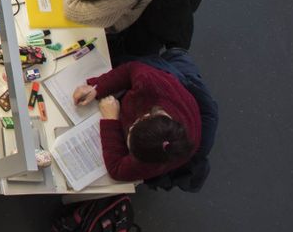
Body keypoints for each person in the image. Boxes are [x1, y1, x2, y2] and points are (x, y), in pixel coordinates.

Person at [70, 60, 200, 182]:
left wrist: (111, 120)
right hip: (167, 78)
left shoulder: (160, 154)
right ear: (145, 116)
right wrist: (96, 87)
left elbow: (116, 169)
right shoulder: (150, 83)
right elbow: (130, 69)